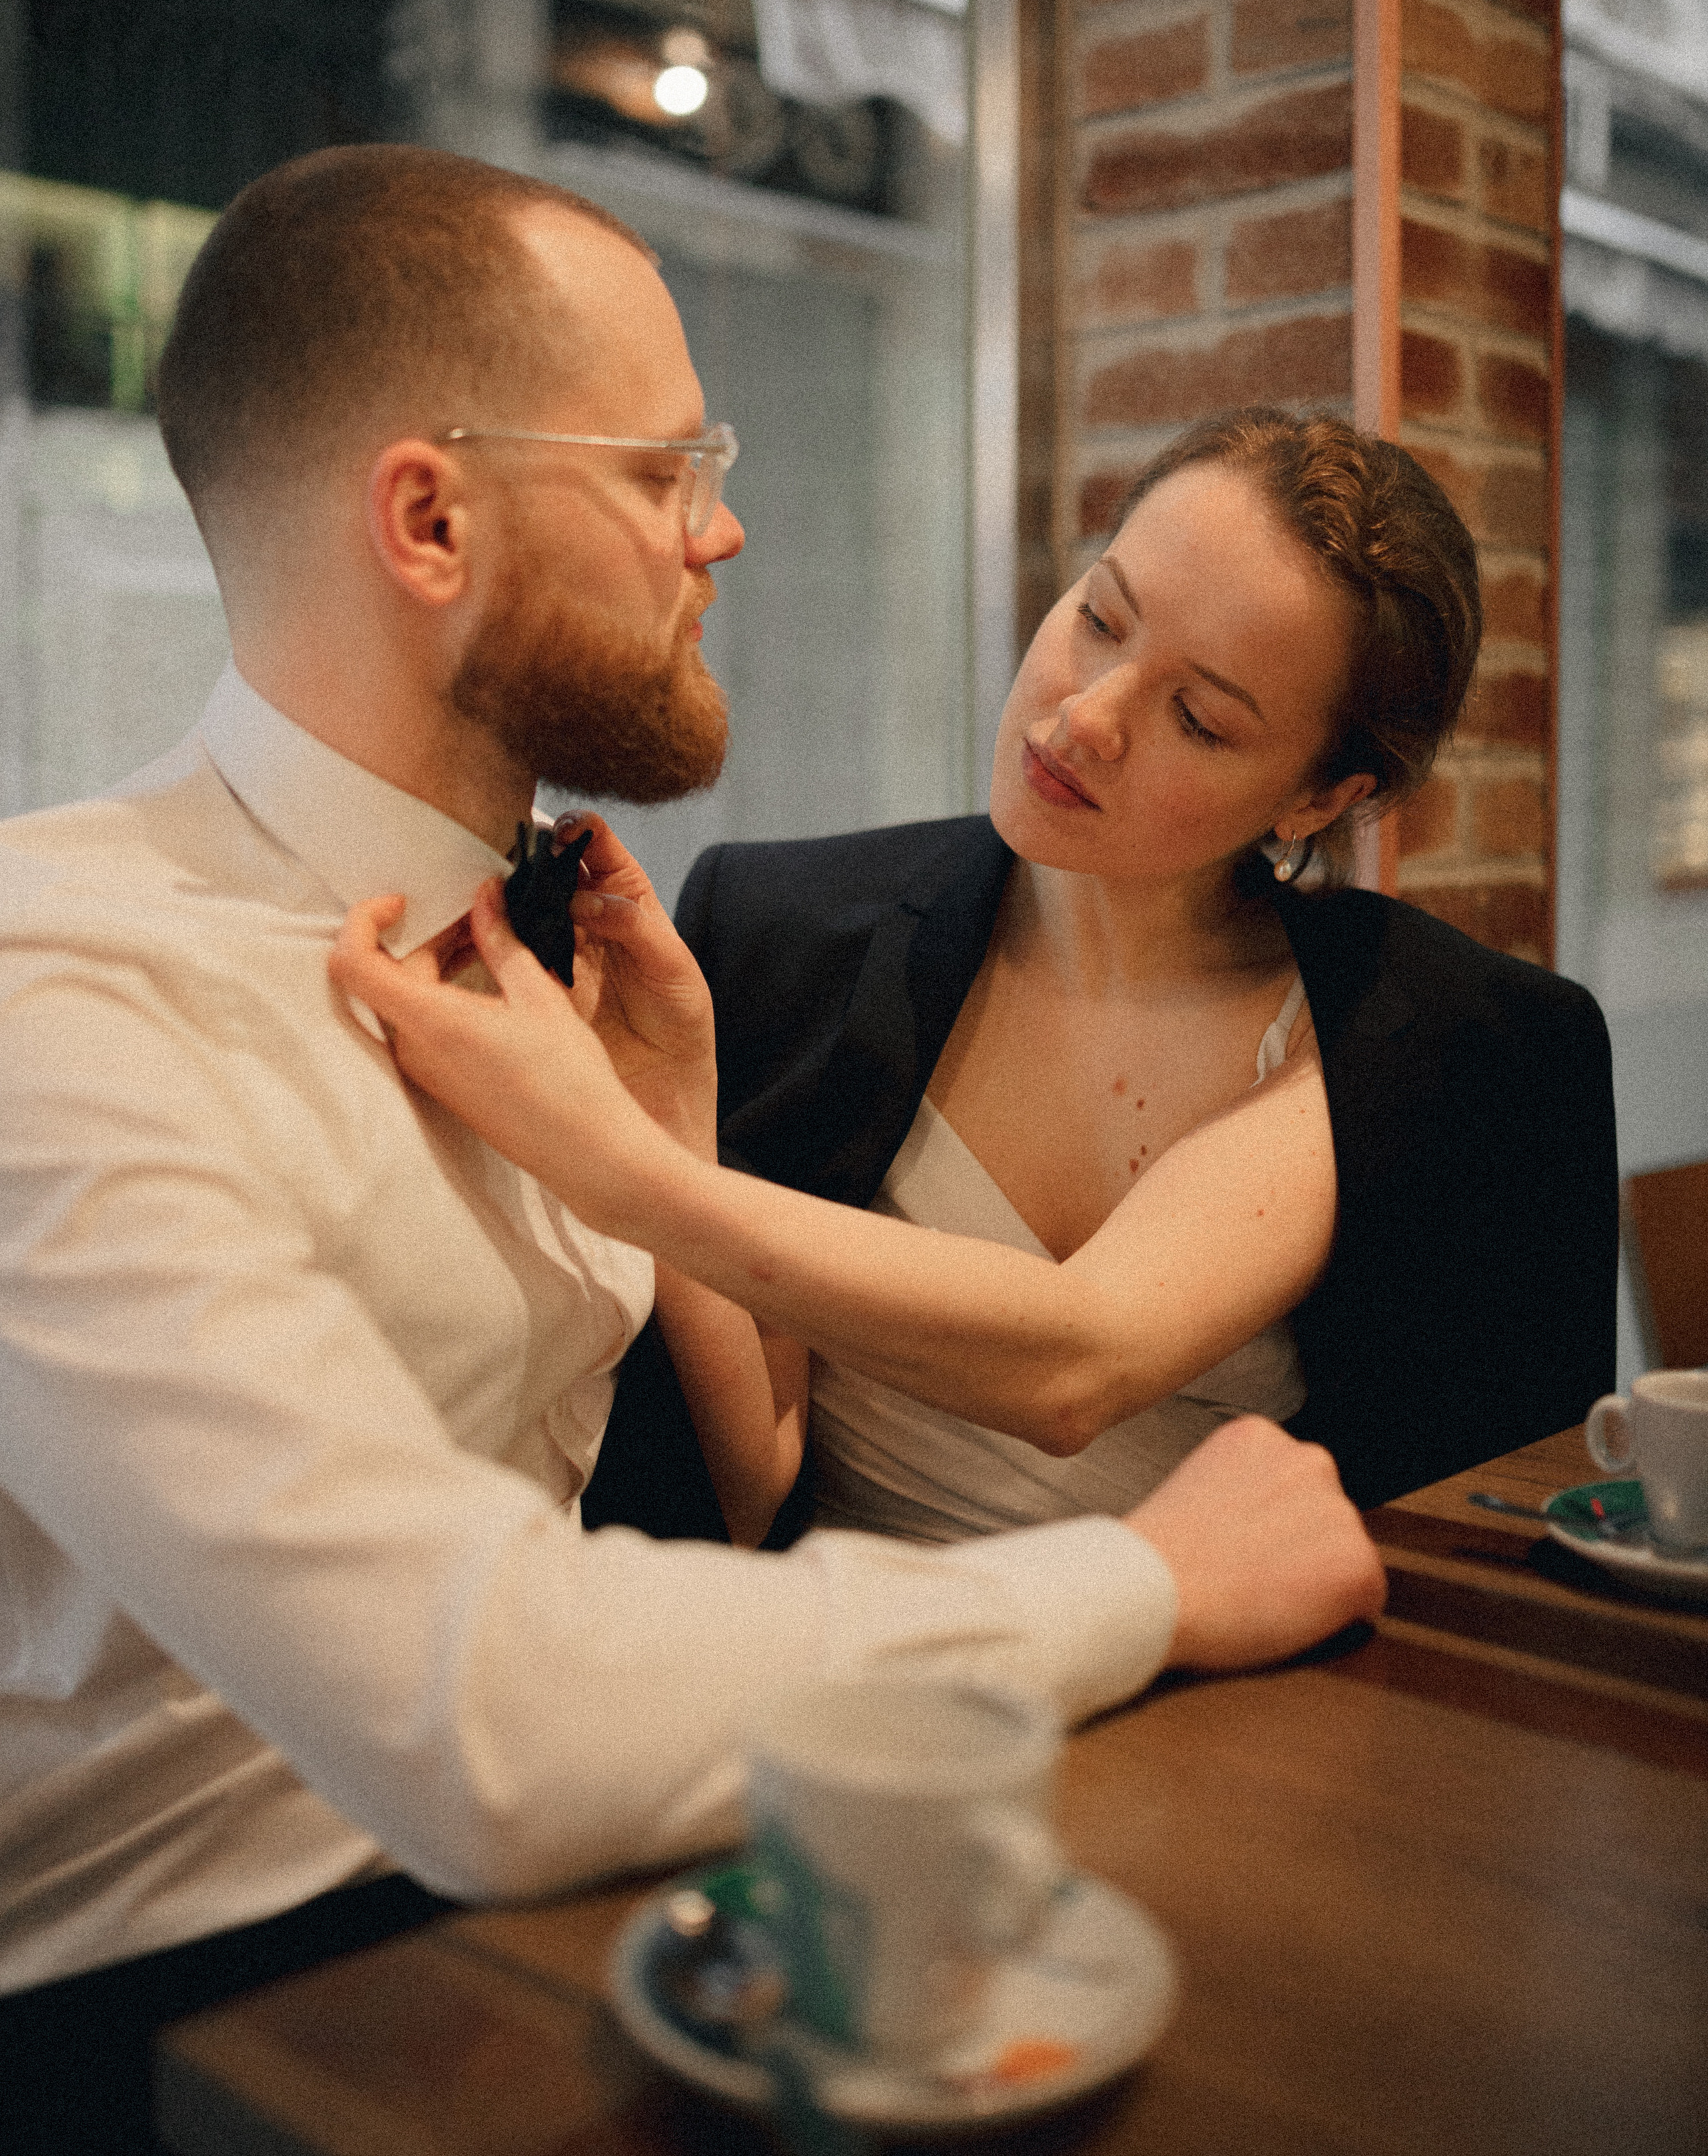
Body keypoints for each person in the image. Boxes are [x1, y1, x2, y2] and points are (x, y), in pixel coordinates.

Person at [0, 147, 1384, 2153]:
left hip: (573, 1908)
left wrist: (662, 1135)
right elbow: (493, 1702)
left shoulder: (570, 963)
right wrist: (1147, 1587)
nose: (721, 532)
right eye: (664, 473)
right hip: (176, 2026)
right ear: (431, 517)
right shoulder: (59, 996)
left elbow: (696, 1545)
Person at [340, 410, 1617, 1552]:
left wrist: (619, 1166)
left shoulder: (1427, 1037)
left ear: (1322, 795)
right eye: (1100, 618)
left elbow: (1080, 1360)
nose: (1085, 717)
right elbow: (751, 1482)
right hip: (864, 1704)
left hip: (1255, 1730)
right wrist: (673, 1098)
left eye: (1201, 719)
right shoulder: (780, 930)